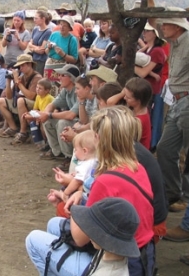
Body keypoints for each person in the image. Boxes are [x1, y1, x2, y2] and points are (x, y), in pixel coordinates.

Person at [62, 106, 155, 275]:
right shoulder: (137, 167)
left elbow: (80, 238)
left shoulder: (106, 180)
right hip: (142, 252)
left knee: (36, 241)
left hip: (120, 261)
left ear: (97, 138)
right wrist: (80, 192)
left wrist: (72, 206)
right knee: (55, 227)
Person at [145, 0, 189, 211]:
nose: (162, 28)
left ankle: (186, 197)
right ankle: (174, 192)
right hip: (178, 100)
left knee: (188, 153)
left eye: (167, 24)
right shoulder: (175, 41)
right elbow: (153, 21)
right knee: (166, 148)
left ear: (177, 26)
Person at [26, 197, 140, 276]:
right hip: (95, 265)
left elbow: (80, 241)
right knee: (54, 224)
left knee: (32, 239)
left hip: (91, 270)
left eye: (95, 229)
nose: (90, 232)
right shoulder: (114, 252)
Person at [38, 64, 80, 170]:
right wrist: (45, 114)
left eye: (62, 75)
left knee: (62, 122)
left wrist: (49, 114)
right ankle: (57, 152)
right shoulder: (66, 90)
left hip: (82, 122)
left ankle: (69, 156)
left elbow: (71, 115)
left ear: (71, 78)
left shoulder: (79, 89)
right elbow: (52, 105)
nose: (59, 78)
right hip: (74, 120)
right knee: (48, 120)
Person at [134, 23, 166, 151]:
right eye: (144, 30)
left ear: (155, 34)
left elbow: (142, 73)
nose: (144, 33)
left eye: (148, 31)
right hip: (144, 88)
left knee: (148, 120)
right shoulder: (148, 49)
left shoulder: (157, 51)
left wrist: (130, 63)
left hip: (151, 90)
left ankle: (147, 148)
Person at [0, 54, 42, 139]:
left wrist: (18, 82)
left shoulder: (37, 77)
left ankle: (23, 132)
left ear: (30, 64)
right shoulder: (23, 76)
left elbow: (31, 96)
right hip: (25, 104)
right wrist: (8, 81)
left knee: (20, 100)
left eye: (22, 65)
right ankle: (13, 128)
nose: (20, 68)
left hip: (37, 106)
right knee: (0, 101)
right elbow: (9, 96)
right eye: (19, 66)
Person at [49, 130, 97, 204]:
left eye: (76, 150)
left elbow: (77, 181)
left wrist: (66, 193)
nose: (74, 152)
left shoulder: (86, 164)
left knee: (68, 188)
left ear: (85, 151)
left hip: (85, 193)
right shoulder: (94, 160)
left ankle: (62, 197)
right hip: (88, 188)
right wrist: (75, 174)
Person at [108, 77, 153, 150]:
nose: (124, 98)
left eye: (128, 97)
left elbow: (109, 104)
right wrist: (123, 93)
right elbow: (110, 102)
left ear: (138, 101)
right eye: (124, 95)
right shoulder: (136, 108)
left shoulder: (139, 120)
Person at [21, 78, 54, 147]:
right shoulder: (38, 96)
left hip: (49, 116)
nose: (37, 89)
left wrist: (32, 116)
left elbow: (44, 112)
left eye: (40, 88)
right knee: (28, 118)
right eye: (37, 87)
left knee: (42, 126)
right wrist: (28, 114)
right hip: (41, 114)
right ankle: (39, 140)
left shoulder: (48, 98)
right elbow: (35, 109)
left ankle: (48, 143)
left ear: (47, 91)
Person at [28, 10, 52, 75]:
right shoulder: (35, 29)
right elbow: (29, 44)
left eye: (36, 18)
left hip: (41, 61)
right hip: (33, 59)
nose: (34, 20)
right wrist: (35, 48)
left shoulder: (48, 32)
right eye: (34, 18)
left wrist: (32, 47)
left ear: (43, 19)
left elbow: (42, 50)